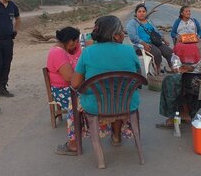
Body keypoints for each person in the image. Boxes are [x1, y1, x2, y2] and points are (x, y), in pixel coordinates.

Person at [69, 15, 141, 149]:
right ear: (115, 34)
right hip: (127, 103)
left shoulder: (88, 52)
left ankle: (73, 143)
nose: (122, 33)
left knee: (73, 102)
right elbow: (138, 78)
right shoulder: (129, 50)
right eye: (121, 31)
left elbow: (75, 84)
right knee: (118, 94)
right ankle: (116, 135)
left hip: (96, 106)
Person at [46, 27, 82, 155]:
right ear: (70, 41)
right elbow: (69, 78)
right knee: (79, 104)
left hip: (71, 87)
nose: (77, 45)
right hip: (63, 90)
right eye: (76, 42)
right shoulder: (57, 52)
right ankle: (73, 143)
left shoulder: (65, 50)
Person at [126, 4, 173, 71]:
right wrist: (143, 43)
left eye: (143, 11)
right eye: (139, 11)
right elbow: (132, 36)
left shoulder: (149, 21)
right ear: (136, 13)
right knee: (157, 53)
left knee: (168, 51)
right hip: (141, 46)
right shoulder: (132, 23)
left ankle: (172, 68)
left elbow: (156, 31)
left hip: (154, 42)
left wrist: (163, 38)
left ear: (146, 13)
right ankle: (158, 70)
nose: (142, 13)